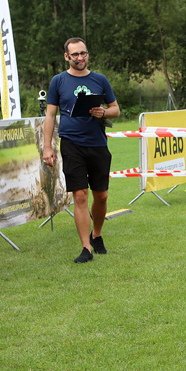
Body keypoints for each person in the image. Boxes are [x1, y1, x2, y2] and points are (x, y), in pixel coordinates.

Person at [42, 37, 120, 264]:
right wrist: (47, 147)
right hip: (71, 144)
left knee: (101, 196)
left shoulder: (100, 80)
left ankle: (97, 234)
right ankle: (86, 247)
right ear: (67, 57)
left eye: (83, 53)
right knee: (80, 195)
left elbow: (115, 109)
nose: (80, 57)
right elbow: (50, 115)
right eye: (75, 54)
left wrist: (103, 112)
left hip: (97, 144)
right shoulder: (58, 81)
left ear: (87, 54)